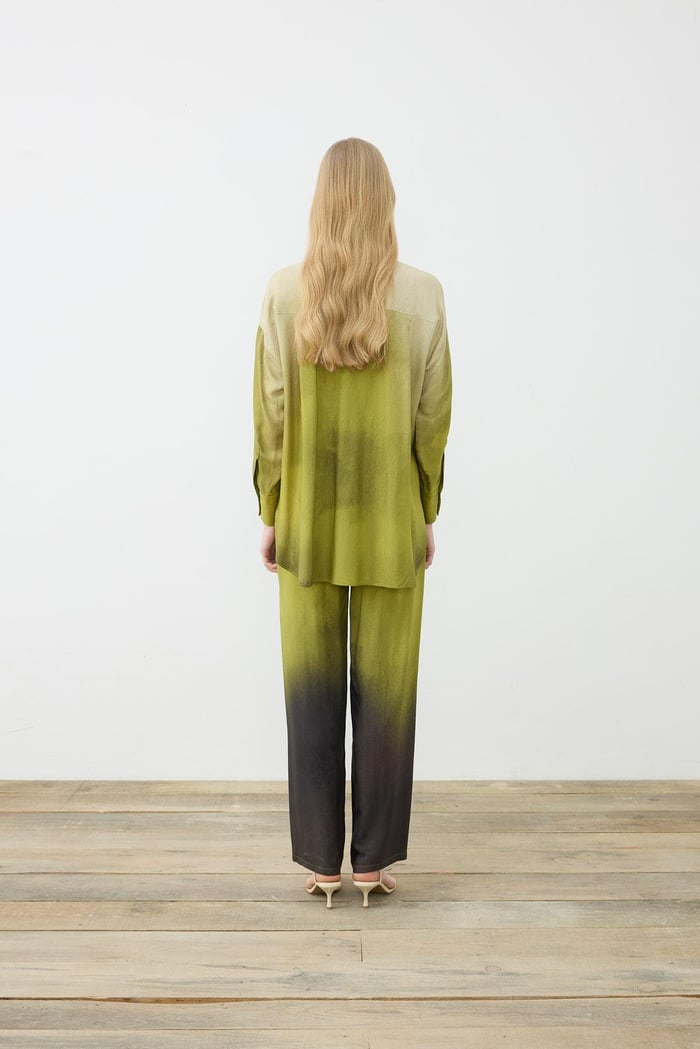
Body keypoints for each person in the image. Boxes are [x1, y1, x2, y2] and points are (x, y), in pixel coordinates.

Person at [252, 137, 452, 908]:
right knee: (388, 692)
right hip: (389, 519)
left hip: (306, 521)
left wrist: (272, 509)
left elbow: (271, 412)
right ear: (385, 201)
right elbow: (432, 418)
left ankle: (320, 864)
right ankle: (372, 864)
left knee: (310, 691)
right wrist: (423, 507)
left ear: (321, 202)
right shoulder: (424, 295)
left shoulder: (282, 292)